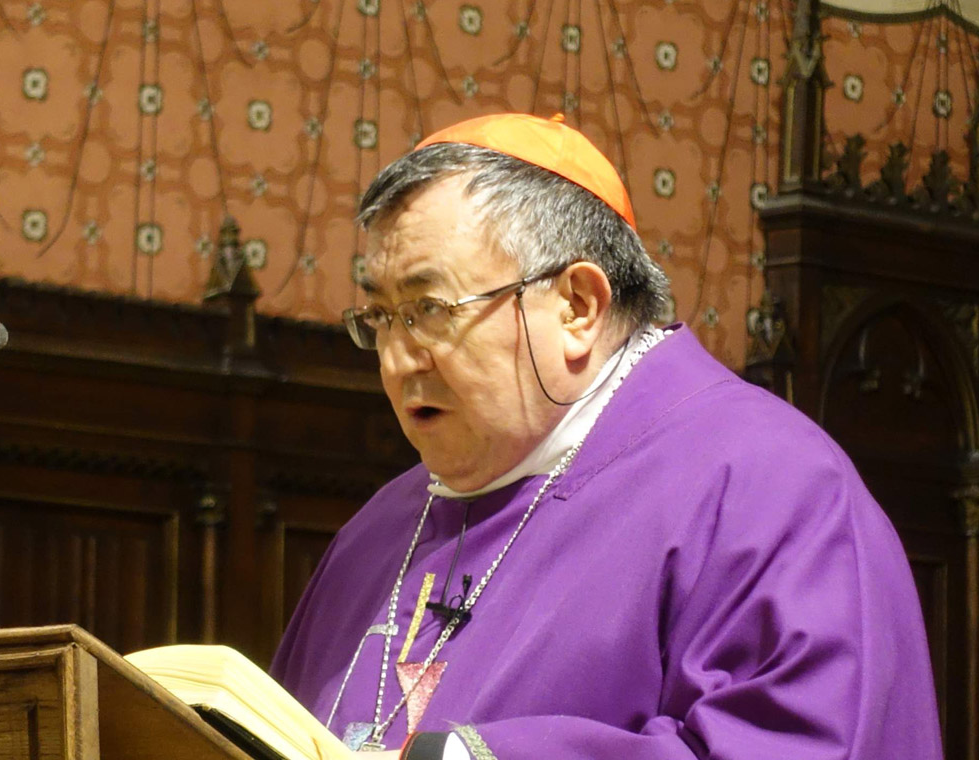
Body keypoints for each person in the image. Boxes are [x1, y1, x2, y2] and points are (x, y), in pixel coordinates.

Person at [271, 113, 943, 760]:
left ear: (577, 307)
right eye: (381, 317)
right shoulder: (377, 533)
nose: (396, 361)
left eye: (429, 310)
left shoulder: (770, 490)